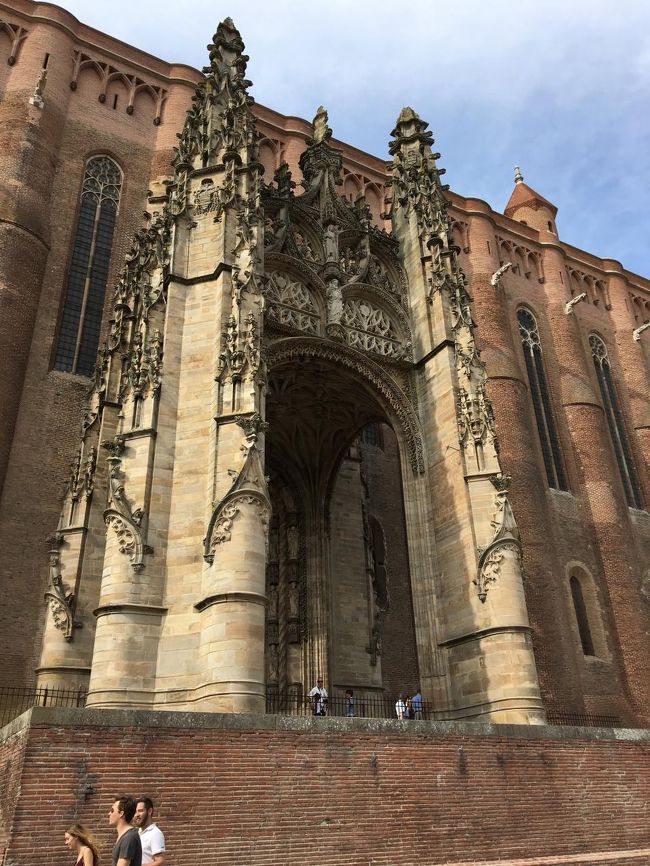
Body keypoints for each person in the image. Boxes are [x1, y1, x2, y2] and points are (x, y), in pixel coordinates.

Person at [109, 796, 142, 866]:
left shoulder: (129, 837)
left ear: (121, 813)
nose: (109, 814)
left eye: (112, 811)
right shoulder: (125, 836)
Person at [134, 798, 166, 866]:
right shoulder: (137, 832)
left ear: (149, 811)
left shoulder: (155, 833)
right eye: (135, 812)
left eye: (140, 811)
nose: (137, 815)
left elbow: (160, 862)